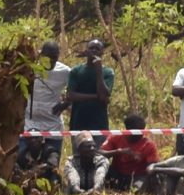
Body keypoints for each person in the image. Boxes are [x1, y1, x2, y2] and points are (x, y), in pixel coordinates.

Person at [20, 40, 70, 174]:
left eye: (55, 57)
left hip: (52, 122)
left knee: (51, 164)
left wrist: (65, 103)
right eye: (48, 57)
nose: (51, 61)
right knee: (21, 160)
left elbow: (75, 90)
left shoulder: (65, 71)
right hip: (29, 122)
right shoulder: (29, 68)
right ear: (41, 55)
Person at [62, 38, 115, 138]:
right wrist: (97, 97)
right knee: (79, 153)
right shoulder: (76, 71)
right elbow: (71, 95)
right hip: (78, 124)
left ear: (102, 52)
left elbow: (104, 95)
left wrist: (99, 72)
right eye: (91, 48)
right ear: (86, 51)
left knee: (99, 153)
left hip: (99, 124)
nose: (94, 51)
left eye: (97, 48)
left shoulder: (108, 72)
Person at [101, 113, 162, 193]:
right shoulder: (116, 137)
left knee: (138, 190)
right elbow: (99, 153)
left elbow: (152, 166)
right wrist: (118, 152)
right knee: (101, 166)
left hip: (137, 176)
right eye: (138, 130)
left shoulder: (148, 145)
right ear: (128, 129)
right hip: (116, 173)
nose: (141, 133)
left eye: (142, 130)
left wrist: (149, 168)